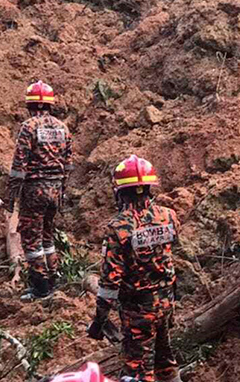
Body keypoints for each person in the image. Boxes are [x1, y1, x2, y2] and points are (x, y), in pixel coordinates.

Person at [88, 155, 182, 382]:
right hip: (166, 304)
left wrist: (99, 320)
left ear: (120, 191)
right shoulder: (169, 216)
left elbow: (110, 282)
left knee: (138, 371)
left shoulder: (118, 227)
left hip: (138, 312)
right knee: (165, 362)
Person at [6, 80, 73, 300]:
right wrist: (61, 188)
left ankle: (40, 286)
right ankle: (53, 278)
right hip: (56, 189)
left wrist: (12, 195)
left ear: (30, 105)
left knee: (31, 237)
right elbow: (69, 163)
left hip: (35, 190)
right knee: (47, 234)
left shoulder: (29, 127)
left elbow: (19, 165)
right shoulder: (63, 128)